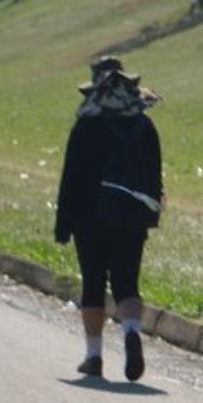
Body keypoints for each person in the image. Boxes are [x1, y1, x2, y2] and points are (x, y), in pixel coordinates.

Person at [55, 56, 163, 382]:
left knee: (93, 283)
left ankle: (94, 356)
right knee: (127, 283)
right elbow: (155, 174)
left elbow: (70, 178)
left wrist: (63, 224)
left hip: (89, 218)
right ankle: (131, 332)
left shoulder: (86, 125)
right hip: (131, 216)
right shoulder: (144, 125)